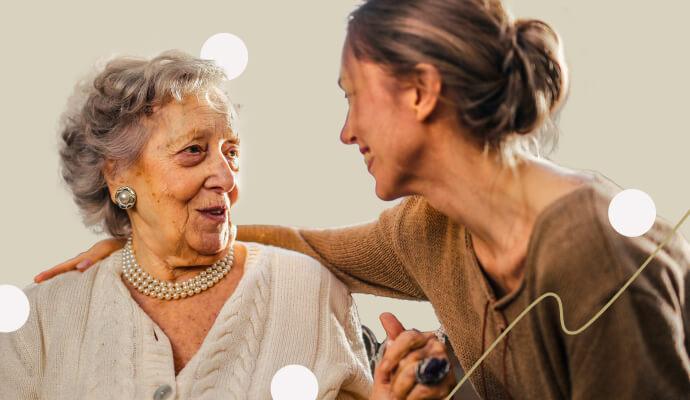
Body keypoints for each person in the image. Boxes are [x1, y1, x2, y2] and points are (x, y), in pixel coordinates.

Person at [36, 0, 690, 399]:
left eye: (352, 96)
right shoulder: (430, 230)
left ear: (420, 91)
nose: (346, 131)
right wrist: (141, 236)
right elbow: (302, 244)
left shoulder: (600, 252)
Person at [0, 50, 457, 400]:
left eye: (231, 151)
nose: (226, 177)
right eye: (194, 151)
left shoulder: (308, 291)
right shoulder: (42, 320)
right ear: (117, 175)